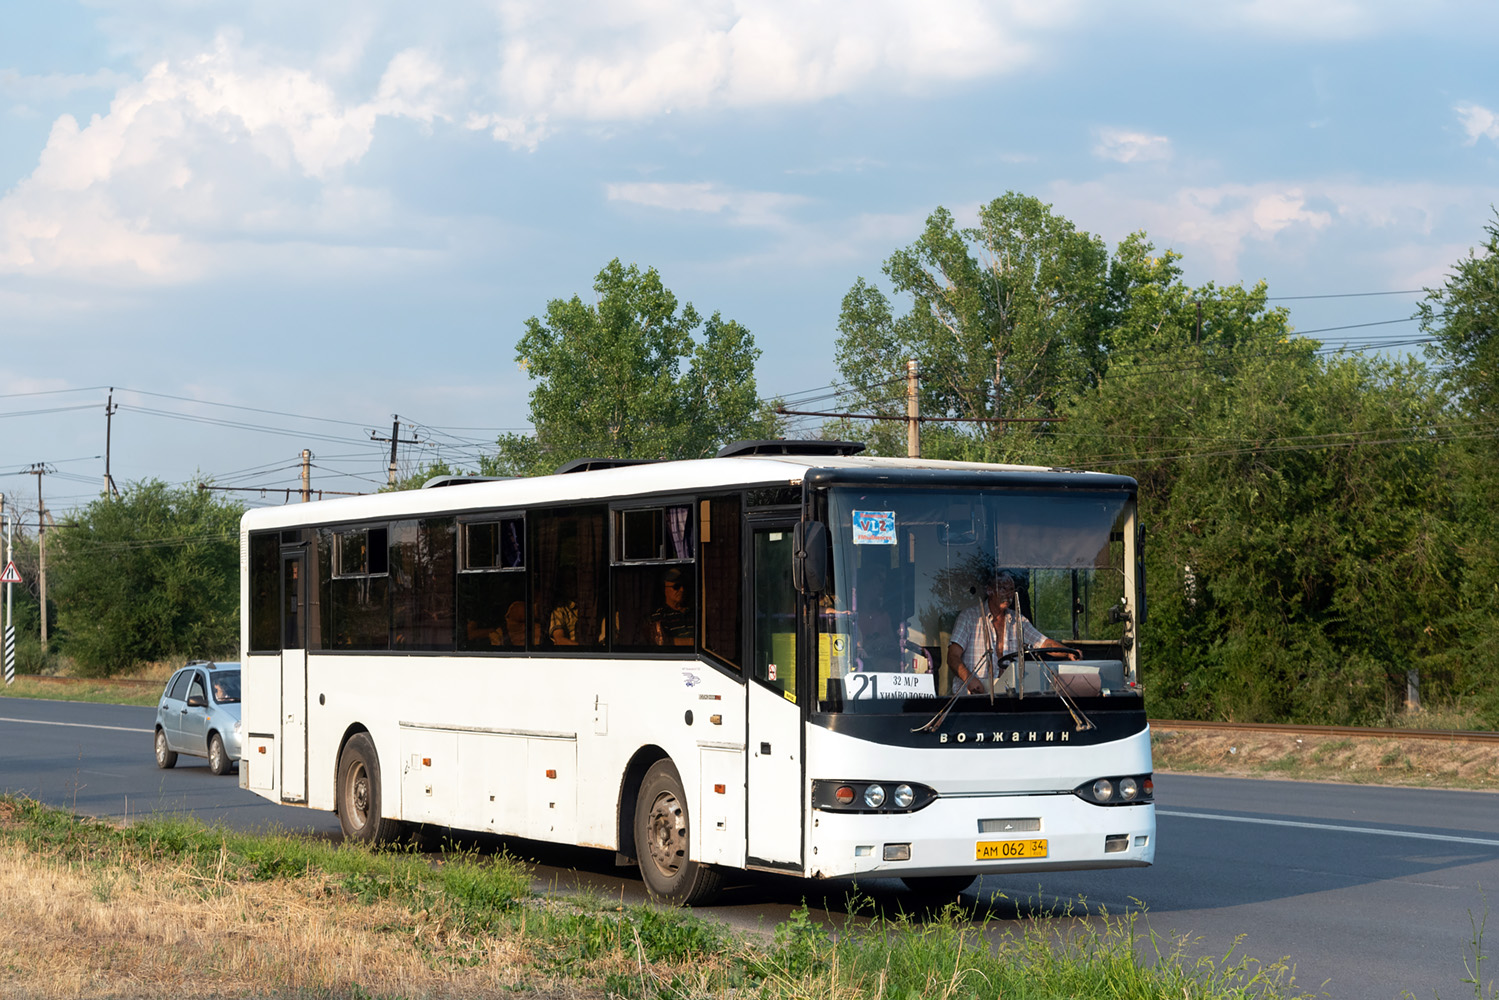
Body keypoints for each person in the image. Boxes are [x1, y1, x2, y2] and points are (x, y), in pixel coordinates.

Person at [947, 570, 1075, 694]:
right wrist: (970, 680)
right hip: (973, 698)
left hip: (1008, 697)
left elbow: (1043, 643)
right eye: (1003, 589)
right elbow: (953, 657)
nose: (1009, 595)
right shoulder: (969, 617)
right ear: (990, 590)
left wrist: (1068, 653)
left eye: (1012, 590)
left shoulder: (1018, 621)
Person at [647, 568, 694, 646]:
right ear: (665, 589)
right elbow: (662, 642)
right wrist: (691, 642)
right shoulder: (659, 616)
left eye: (684, 586)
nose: (682, 590)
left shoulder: (693, 613)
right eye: (676, 586)